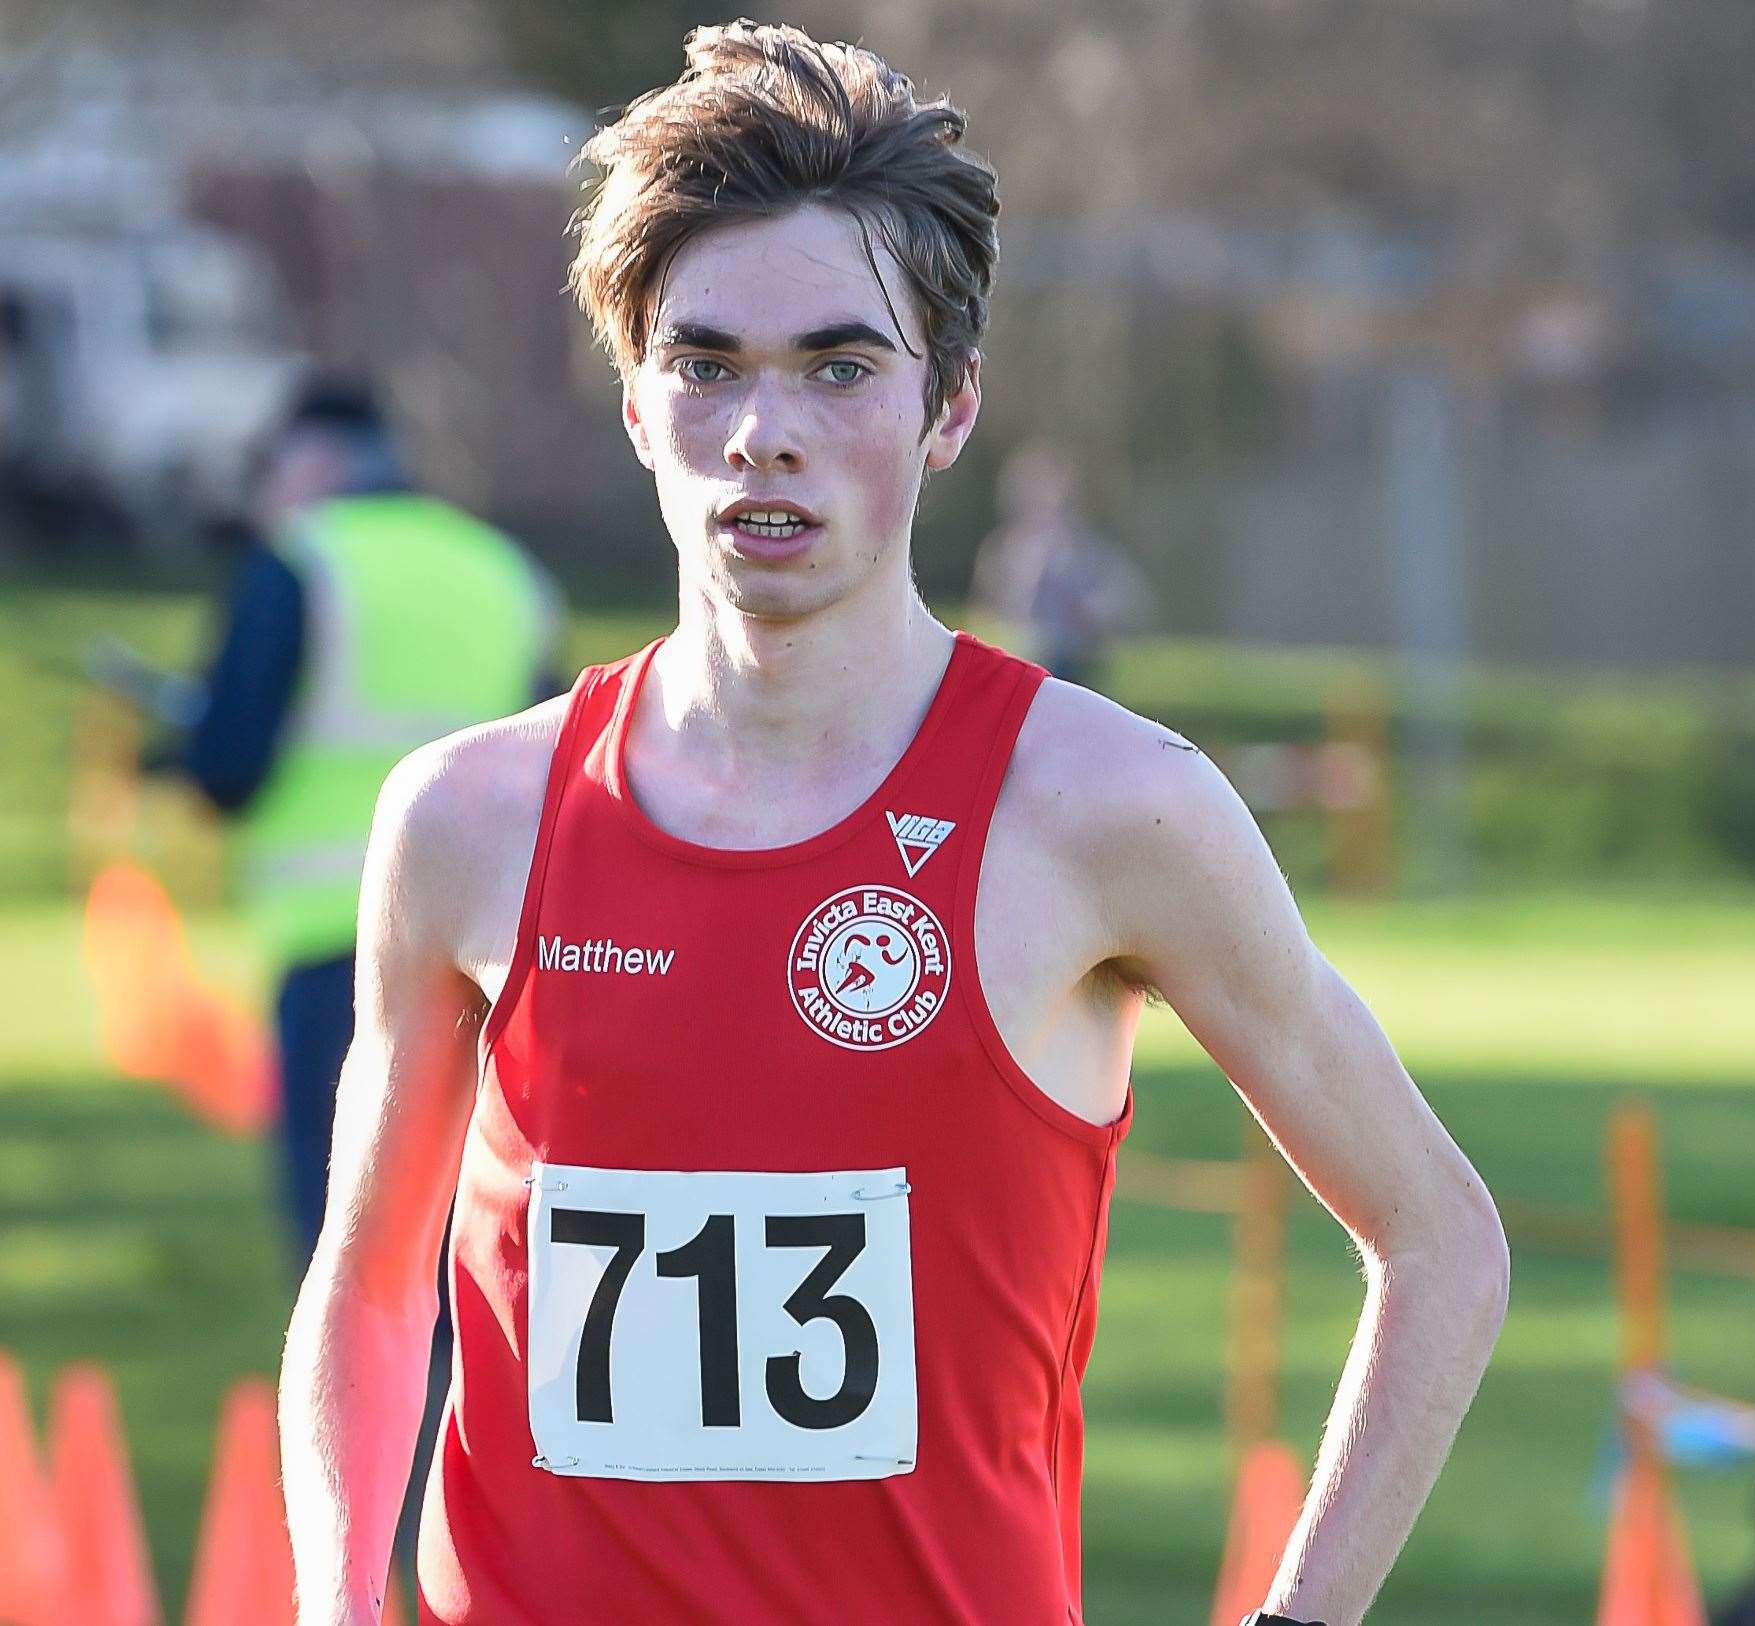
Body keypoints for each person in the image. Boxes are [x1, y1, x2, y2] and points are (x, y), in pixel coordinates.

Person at [277, 23, 1509, 1626]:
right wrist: (328, 1597)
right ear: (637, 402)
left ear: (947, 408)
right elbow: (372, 1292)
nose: (761, 430)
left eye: (839, 366)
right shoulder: (465, 815)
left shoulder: (1105, 807)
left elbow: (1440, 1245)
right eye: (704, 361)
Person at [146, 373, 563, 1583]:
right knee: (485, 1271)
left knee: (360, 1281)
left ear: (310, 465)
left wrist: (186, 746)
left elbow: (231, 764)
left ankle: (389, 1566)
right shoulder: (502, 571)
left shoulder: (299, 563)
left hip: (343, 952)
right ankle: (492, 1546)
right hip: (510, 959)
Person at [971, 439, 1150, 686]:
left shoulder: (1084, 548)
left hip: (1076, 662)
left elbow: (1126, 597)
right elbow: (986, 612)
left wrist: (1092, 610)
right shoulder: (1001, 551)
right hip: (1024, 661)